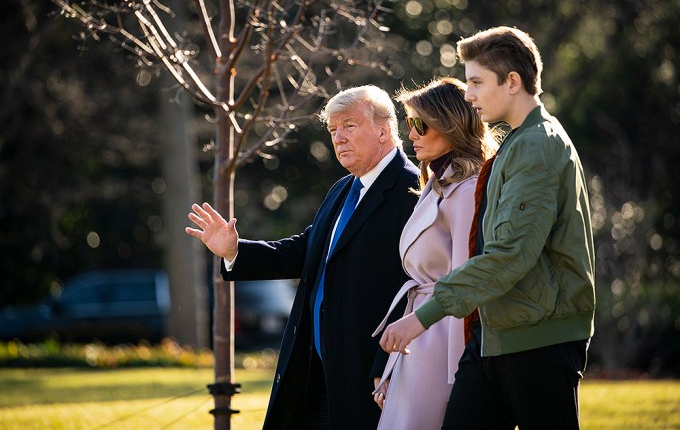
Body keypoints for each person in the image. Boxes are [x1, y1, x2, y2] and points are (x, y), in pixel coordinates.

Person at [379, 26, 596, 430]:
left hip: (538, 339)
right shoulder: (518, 143)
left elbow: (509, 255)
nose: (469, 94)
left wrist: (422, 317)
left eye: (477, 82)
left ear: (512, 82)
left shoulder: (538, 145)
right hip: (498, 334)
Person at [185, 85, 420, 430]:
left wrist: (384, 366)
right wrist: (235, 251)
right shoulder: (343, 189)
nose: (338, 137)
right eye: (333, 129)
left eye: (349, 126)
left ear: (384, 129)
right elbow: (303, 252)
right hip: (316, 372)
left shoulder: (412, 190)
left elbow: (415, 288)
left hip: (371, 377)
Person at [371, 77, 497, 430]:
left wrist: (462, 377)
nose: (410, 134)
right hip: (420, 337)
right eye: (408, 123)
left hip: (442, 343)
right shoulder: (437, 184)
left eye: (418, 124)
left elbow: (466, 282)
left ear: (450, 125)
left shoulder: (467, 190)